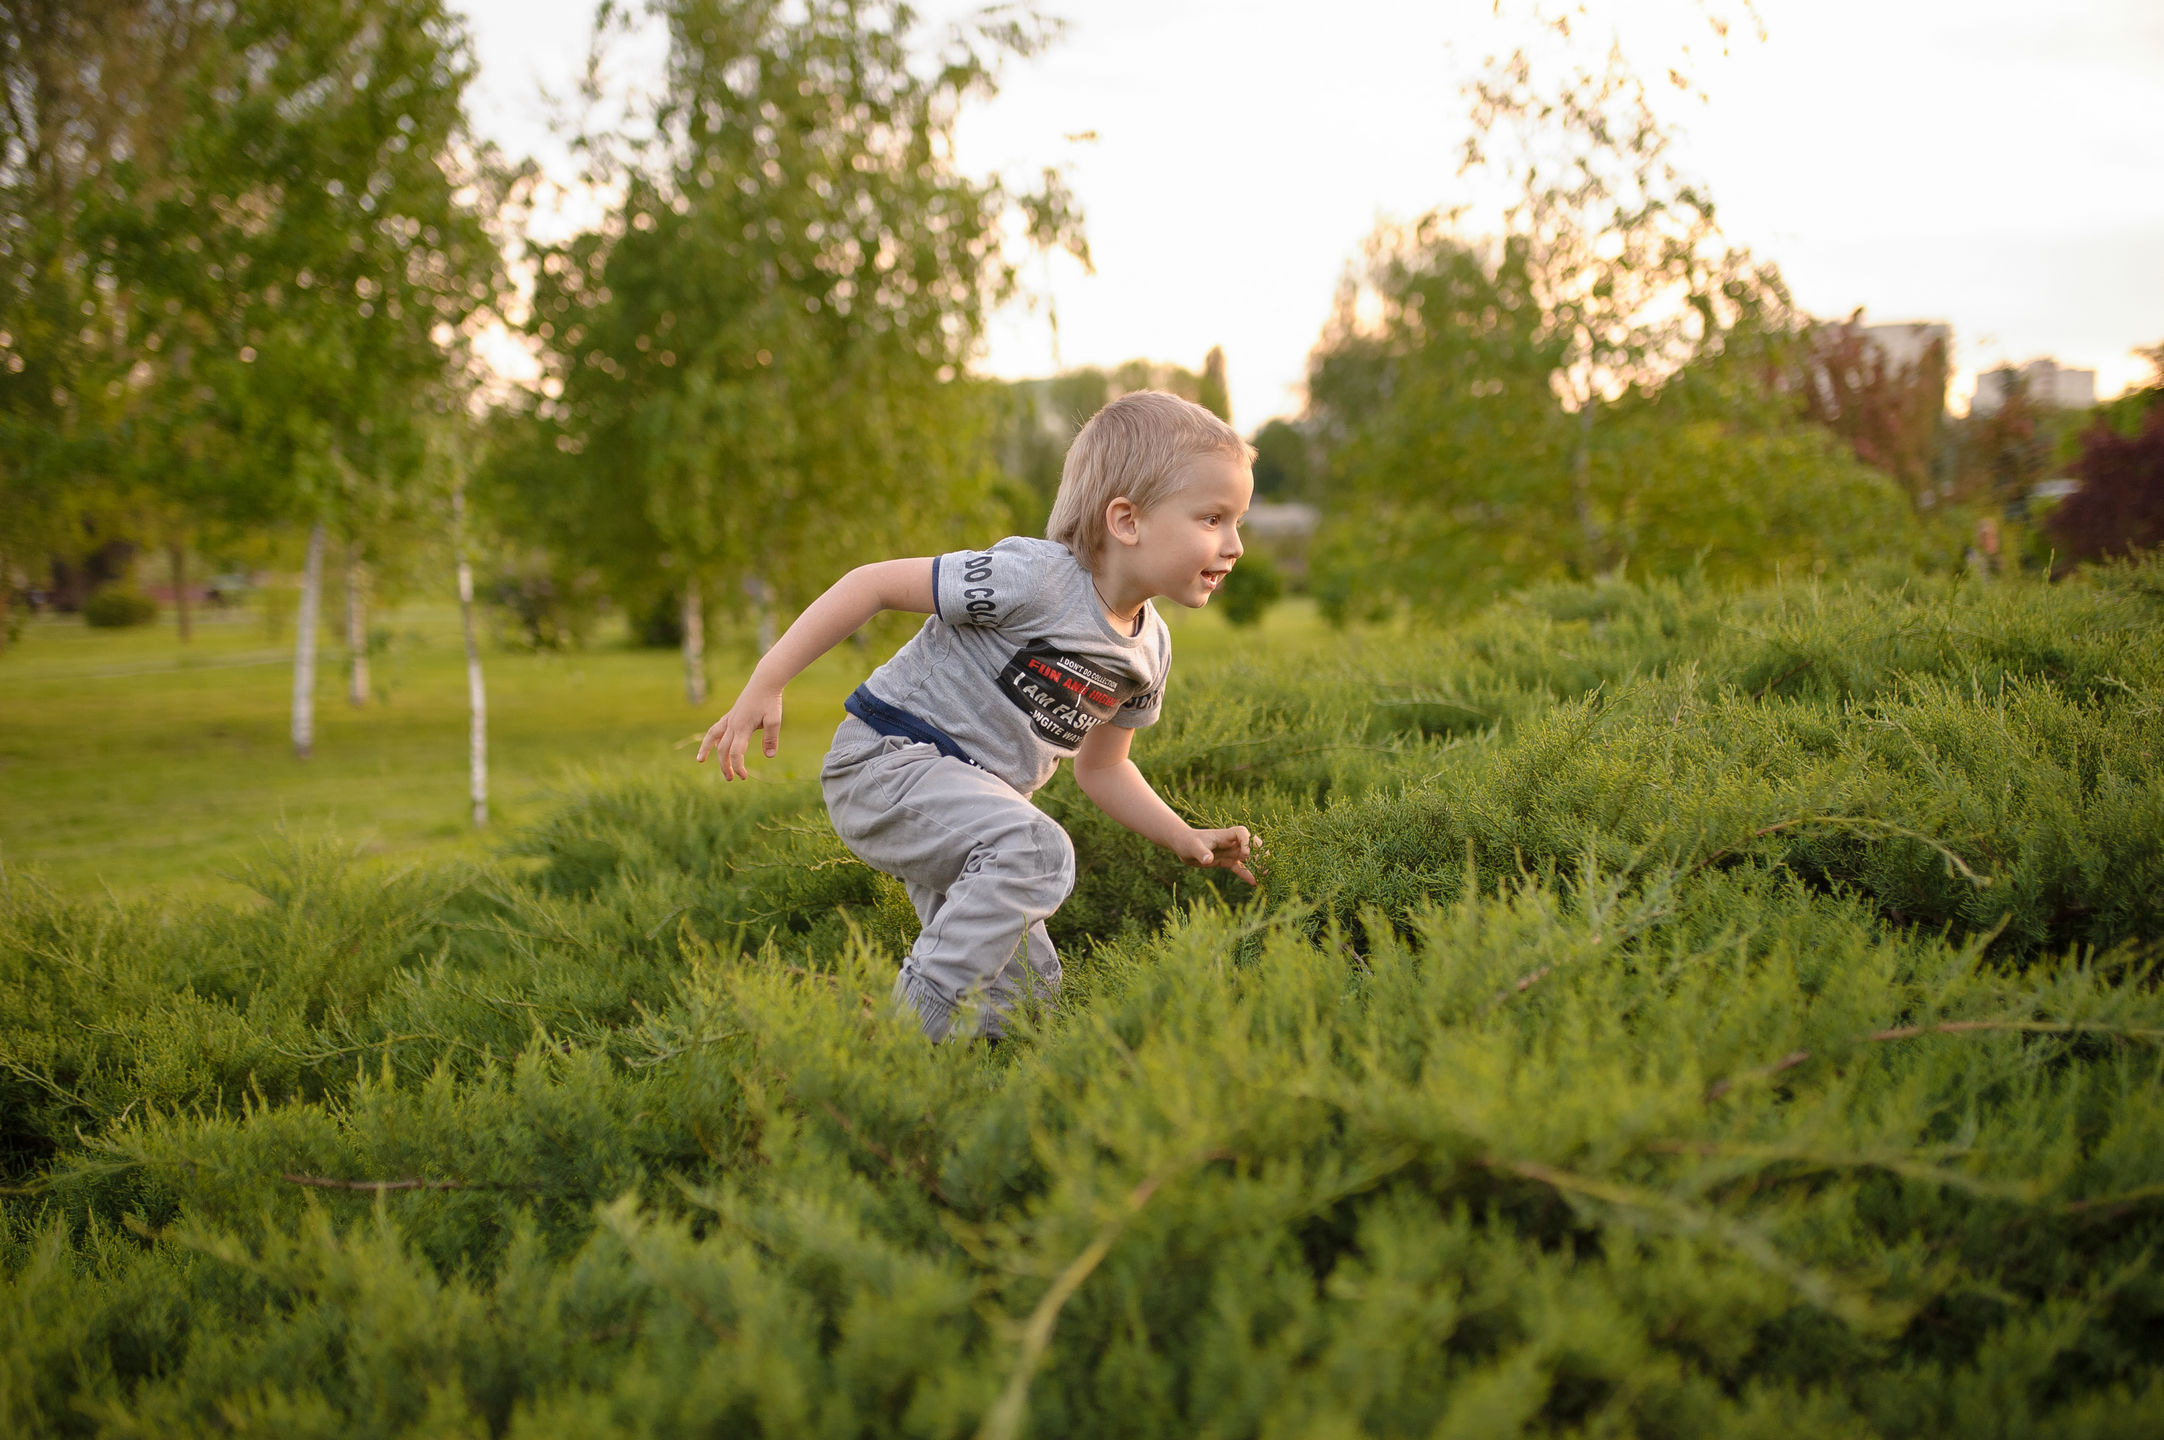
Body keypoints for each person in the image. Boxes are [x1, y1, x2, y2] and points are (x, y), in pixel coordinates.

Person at [695, 391, 1259, 1040]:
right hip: (886, 762)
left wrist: (1181, 834)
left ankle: (930, 1105)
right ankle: (899, 1039)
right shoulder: (1036, 579)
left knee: (1026, 999)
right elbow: (871, 584)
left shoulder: (1148, 652)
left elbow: (1103, 770)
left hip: (972, 812)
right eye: (1213, 519)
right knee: (1037, 851)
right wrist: (766, 683)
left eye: (1238, 521)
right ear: (1126, 521)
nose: (1235, 545)